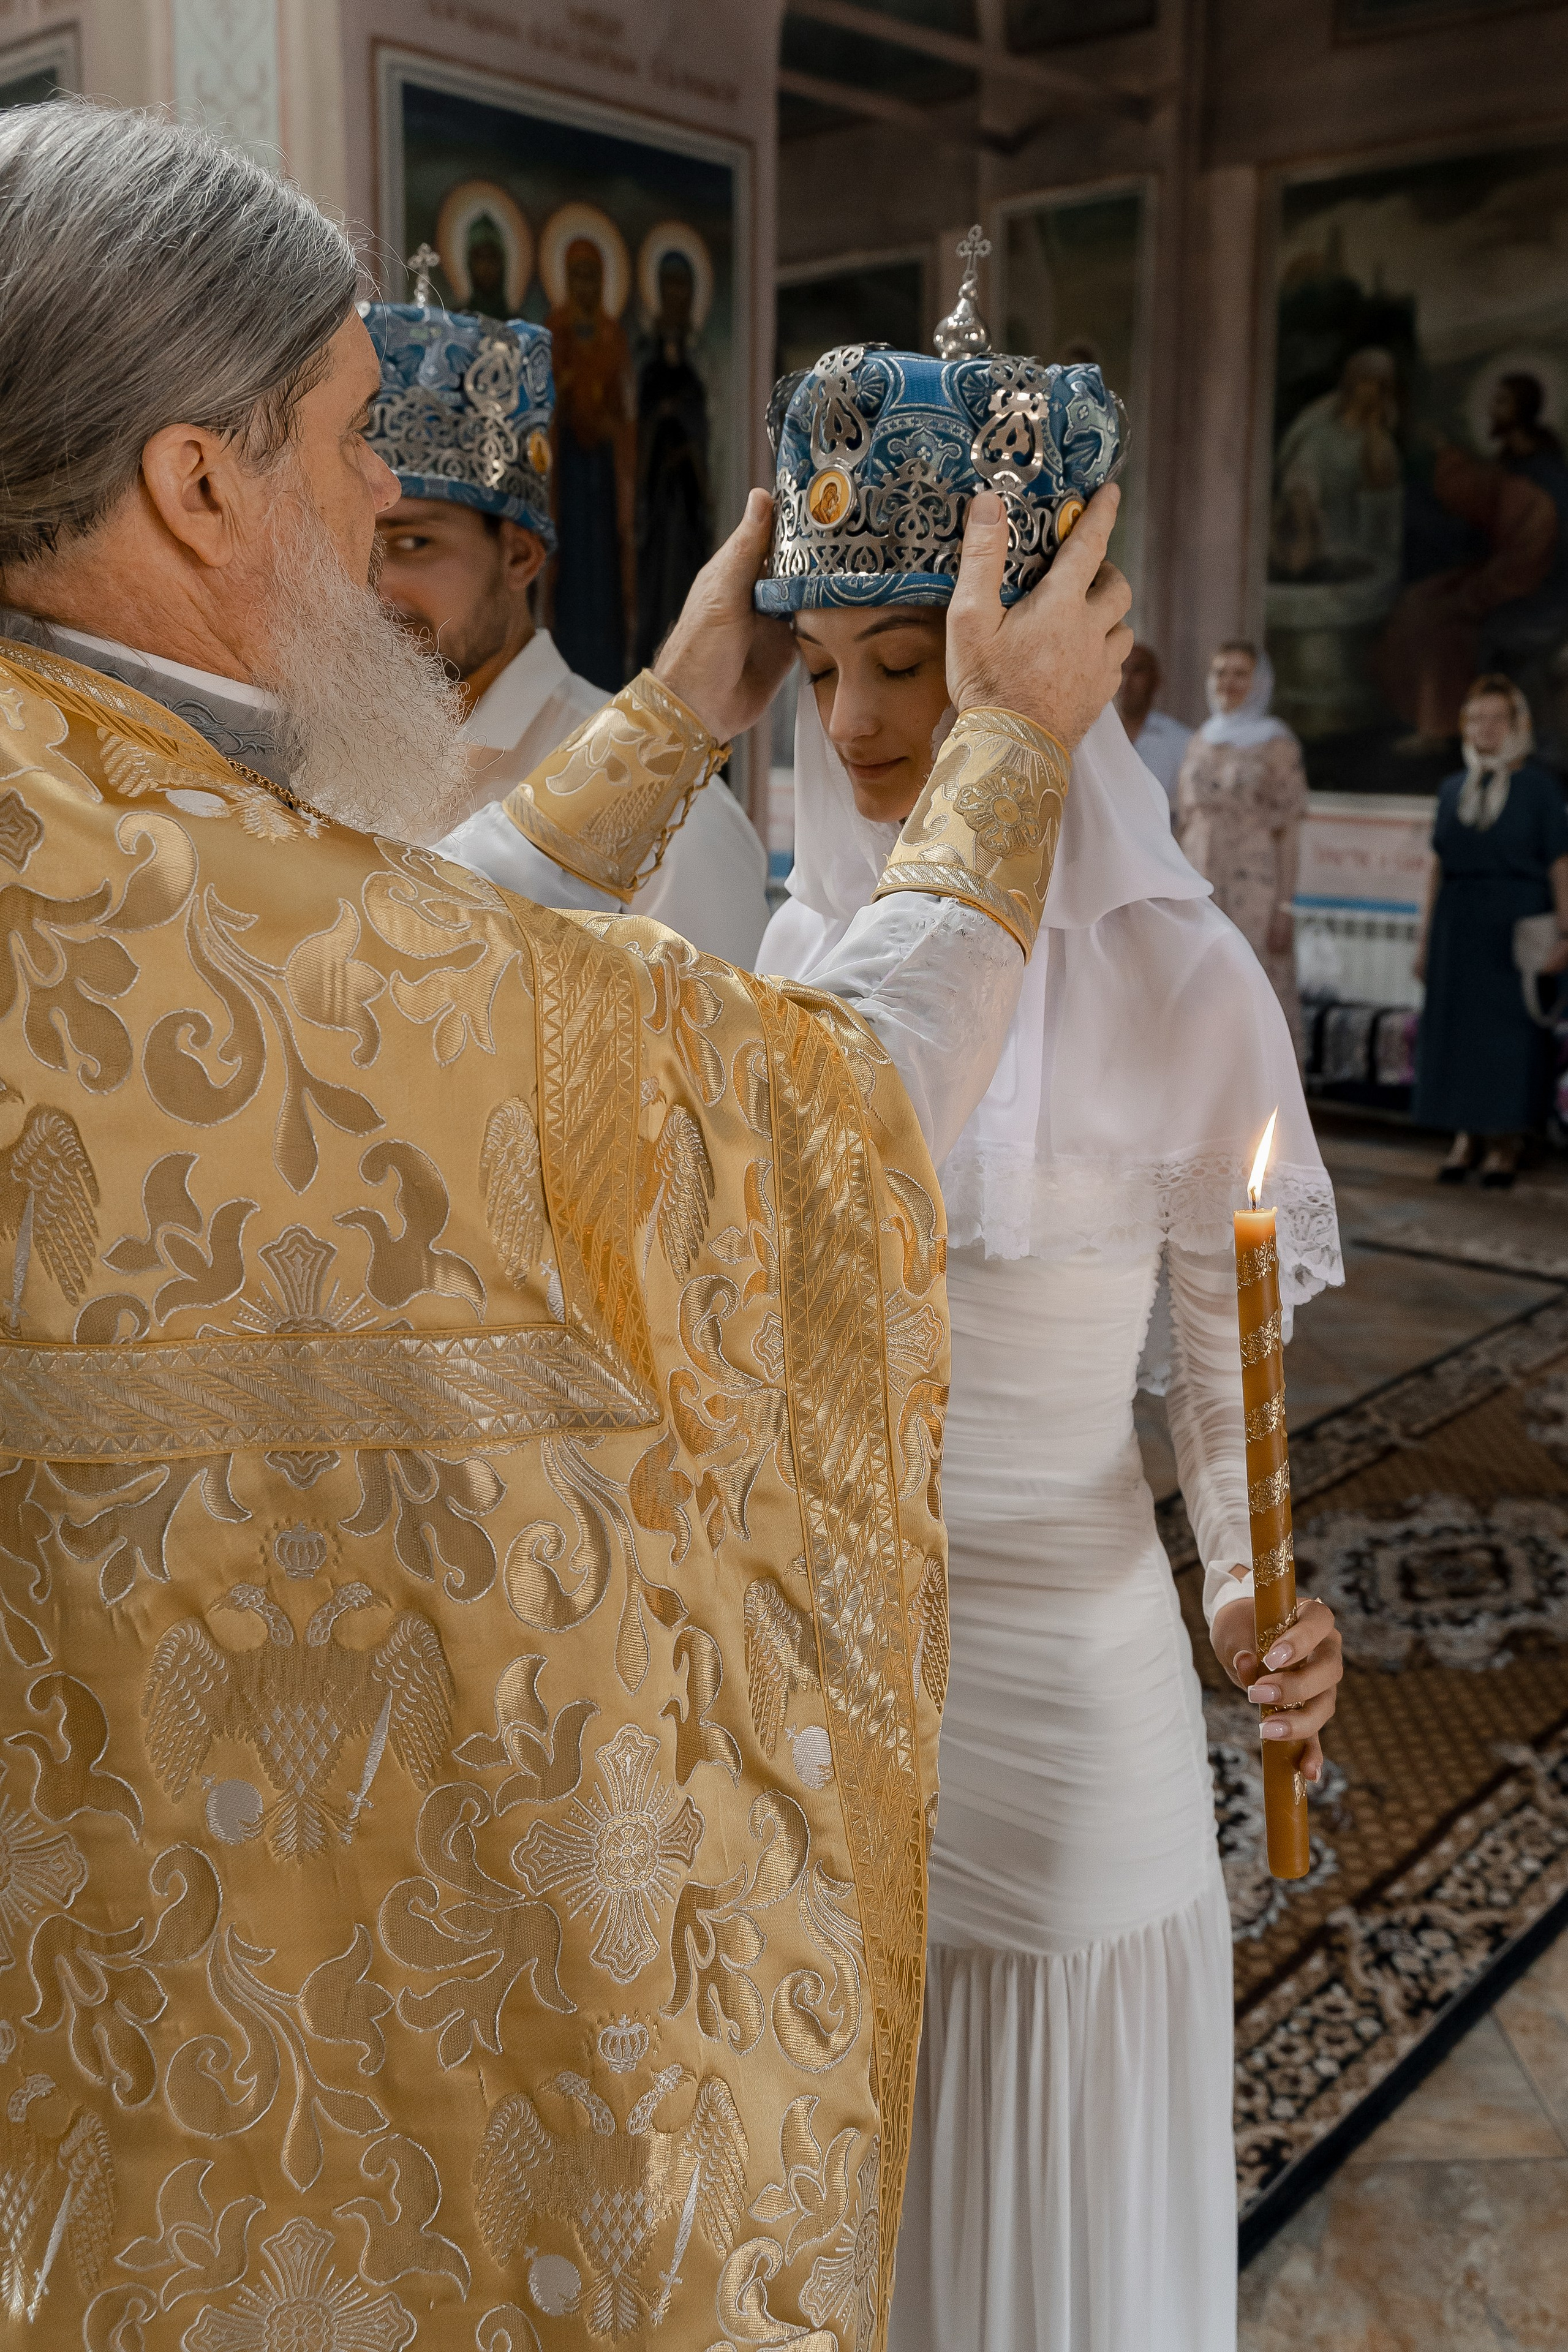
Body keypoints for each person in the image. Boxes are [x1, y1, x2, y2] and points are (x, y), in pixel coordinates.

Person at [0, 101, 1134, 2345]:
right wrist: (1004, 753)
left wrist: (672, 716)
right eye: (343, 445)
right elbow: (828, 1116)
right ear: (192, 483)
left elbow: (350, 975)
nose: (372, 505)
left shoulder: (94, 812)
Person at [756, 337, 1345, 2352]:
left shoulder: (1184, 987)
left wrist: (1269, 1613)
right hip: (826, 1711)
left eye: (904, 665)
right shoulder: (798, 952)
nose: (849, 730)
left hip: (1067, 1702)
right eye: (819, 669)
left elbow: (1227, 1422)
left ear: (1055, 662)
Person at [366, 296, 767, 962]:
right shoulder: (332, 765)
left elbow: (722, 1061)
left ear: (519, 554)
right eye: (350, 548)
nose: (372, 590)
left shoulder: (672, 815)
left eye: (412, 544)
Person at [1413, 673, 1568, 1185]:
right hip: (1458, 925)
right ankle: (1465, 1137)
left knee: (1509, 1038)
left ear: (1517, 724)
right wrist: (1424, 936)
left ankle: (1505, 1141)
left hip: (1516, 926)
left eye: (1497, 718)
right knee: (1458, 1034)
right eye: (1476, 718)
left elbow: (1560, 864)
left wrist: (1566, 935)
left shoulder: (1540, 788)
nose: (1486, 728)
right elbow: (1438, 865)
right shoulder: (1453, 787)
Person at [1175, 639, 1310, 1056]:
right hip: (1200, 880)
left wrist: (1284, 907)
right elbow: (1184, 820)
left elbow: (1288, 830)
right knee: (1201, 983)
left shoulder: (1276, 744)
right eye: (1220, 673)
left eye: (1240, 674)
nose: (1228, 683)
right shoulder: (1199, 740)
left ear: (1259, 682)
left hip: (1255, 888)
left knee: (1256, 983)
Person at [547, 234, 633, 690]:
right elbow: (544, 402)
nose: (584, 285)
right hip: (566, 473)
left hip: (600, 472)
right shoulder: (555, 329)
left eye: (591, 276)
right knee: (571, 572)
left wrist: (610, 432)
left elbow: (622, 410)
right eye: (576, 275)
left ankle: (604, 672)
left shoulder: (611, 335)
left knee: (604, 578)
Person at [633, 247, 713, 673]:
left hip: (685, 495)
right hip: (658, 496)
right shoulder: (645, 364)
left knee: (681, 577)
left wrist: (687, 440)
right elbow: (637, 431)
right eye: (670, 285)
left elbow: (701, 427)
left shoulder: (698, 368)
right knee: (655, 586)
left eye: (684, 286)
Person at [1115, 639, 1191, 813]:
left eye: (1137, 671)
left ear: (1156, 681)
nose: (1126, 680)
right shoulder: (1089, 737)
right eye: (1121, 669)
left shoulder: (1181, 741)